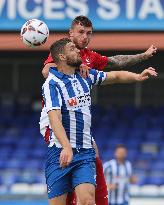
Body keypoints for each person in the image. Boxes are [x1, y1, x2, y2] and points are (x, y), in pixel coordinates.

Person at [40, 15, 157, 205]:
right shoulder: (62, 50)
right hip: (54, 123)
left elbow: (116, 65)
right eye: (81, 32)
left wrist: (142, 58)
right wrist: (77, 66)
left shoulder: (89, 57)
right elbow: (47, 71)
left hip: (80, 132)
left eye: (89, 33)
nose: (85, 37)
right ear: (70, 34)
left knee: (92, 153)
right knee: (67, 148)